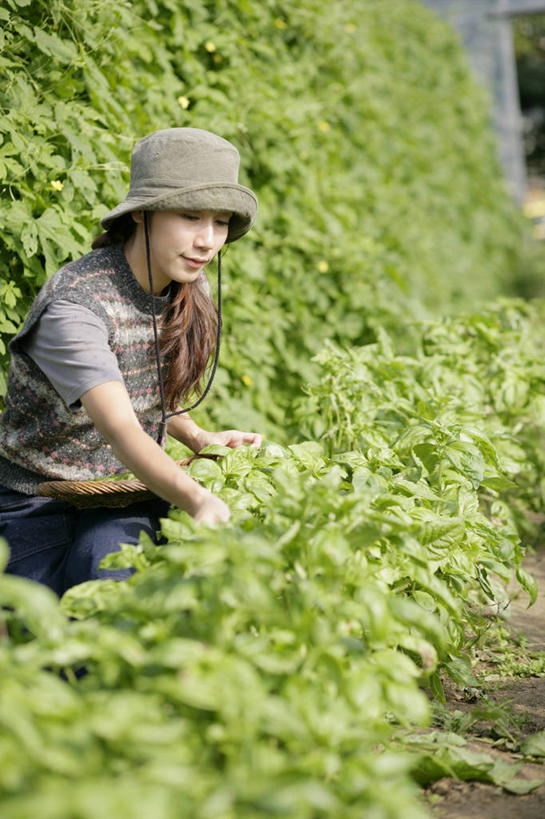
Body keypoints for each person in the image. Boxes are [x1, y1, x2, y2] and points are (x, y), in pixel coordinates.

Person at [0, 127, 262, 595]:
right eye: (190, 216)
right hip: (34, 501)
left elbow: (146, 391)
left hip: (122, 494)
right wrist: (198, 500)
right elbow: (121, 427)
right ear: (142, 212)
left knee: (117, 591)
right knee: (39, 627)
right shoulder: (76, 306)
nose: (208, 240)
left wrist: (199, 437)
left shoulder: (185, 285)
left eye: (220, 222)